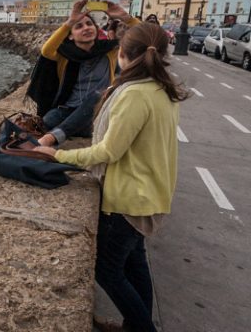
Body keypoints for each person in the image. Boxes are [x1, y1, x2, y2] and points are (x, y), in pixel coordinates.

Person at [34, 22, 189, 332]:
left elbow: (107, 151)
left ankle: (144, 328)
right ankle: (136, 325)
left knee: (107, 270)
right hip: (151, 192)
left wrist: (59, 155)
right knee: (134, 263)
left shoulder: (134, 94)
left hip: (130, 198)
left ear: (123, 55)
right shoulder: (163, 88)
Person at [26, 0, 138, 146]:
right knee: (44, 122)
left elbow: (147, 38)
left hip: (97, 113)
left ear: (96, 29)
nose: (86, 28)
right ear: (70, 35)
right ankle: (69, 130)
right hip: (67, 110)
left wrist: (125, 18)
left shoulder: (109, 51)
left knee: (99, 95)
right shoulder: (64, 54)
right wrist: (69, 22)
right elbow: (46, 51)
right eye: (79, 26)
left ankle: (53, 137)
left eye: (89, 24)